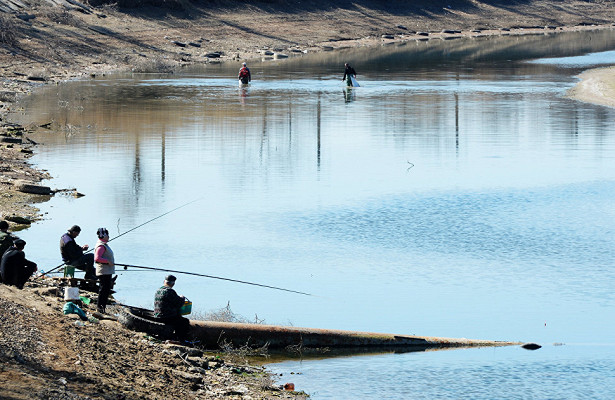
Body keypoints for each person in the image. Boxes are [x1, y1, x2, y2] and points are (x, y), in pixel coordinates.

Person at [154, 275, 190, 342]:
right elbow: (178, 303)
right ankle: (181, 340)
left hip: (157, 315)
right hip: (167, 317)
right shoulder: (170, 291)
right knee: (184, 322)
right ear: (173, 283)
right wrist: (182, 298)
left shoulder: (158, 290)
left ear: (164, 282)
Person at [94, 228, 115, 314]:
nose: (109, 236)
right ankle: (100, 308)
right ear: (103, 235)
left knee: (106, 290)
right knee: (103, 290)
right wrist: (108, 262)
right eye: (107, 235)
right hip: (103, 272)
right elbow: (97, 258)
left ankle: (102, 308)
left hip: (107, 271)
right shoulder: (101, 246)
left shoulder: (104, 245)